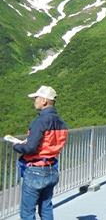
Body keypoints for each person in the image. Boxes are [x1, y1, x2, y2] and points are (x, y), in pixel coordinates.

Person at [12, 85, 68, 220]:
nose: (34, 101)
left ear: (44, 101)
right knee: (46, 207)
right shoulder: (61, 122)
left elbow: (31, 149)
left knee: (27, 212)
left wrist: (17, 146)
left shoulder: (40, 121)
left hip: (36, 171)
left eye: (36, 98)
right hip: (51, 168)